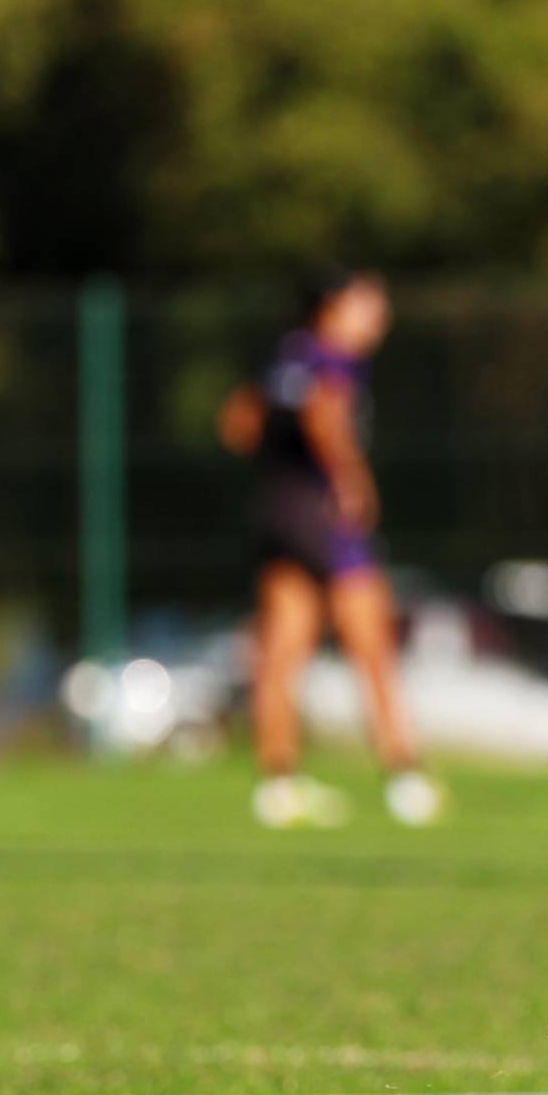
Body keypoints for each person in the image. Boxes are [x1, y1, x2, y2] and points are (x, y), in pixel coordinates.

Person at [217, 269, 443, 829]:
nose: (378, 315)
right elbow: (326, 412)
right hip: (321, 511)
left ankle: (279, 785)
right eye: (367, 303)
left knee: (282, 650)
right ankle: (405, 778)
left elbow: (238, 425)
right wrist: (348, 475)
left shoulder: (283, 355)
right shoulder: (332, 356)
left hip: (276, 508)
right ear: (331, 309)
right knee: (372, 642)